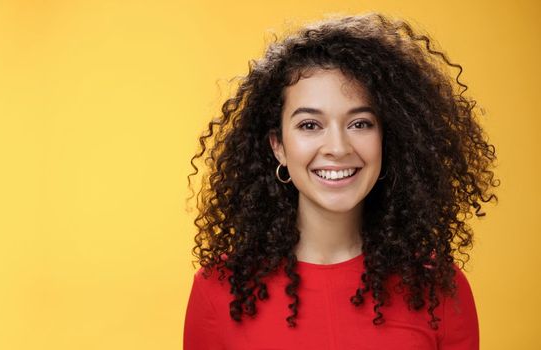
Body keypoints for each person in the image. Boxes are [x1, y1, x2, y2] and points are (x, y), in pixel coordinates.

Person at [183, 13, 498, 350]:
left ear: (388, 138)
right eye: (309, 125)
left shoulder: (439, 289)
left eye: (360, 123)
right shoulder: (217, 291)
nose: (337, 148)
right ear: (278, 146)